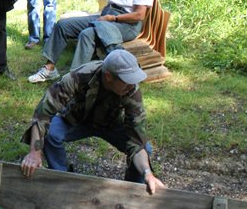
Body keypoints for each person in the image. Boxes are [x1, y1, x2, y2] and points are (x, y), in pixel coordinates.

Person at [20, 50, 166, 195]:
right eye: (127, 80)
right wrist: (35, 152)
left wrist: (147, 172)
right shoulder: (79, 76)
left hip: (111, 125)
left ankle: (133, 191)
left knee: (145, 148)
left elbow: (136, 138)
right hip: (77, 120)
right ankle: (62, 179)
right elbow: (43, 114)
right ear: (108, 76)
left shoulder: (132, 89)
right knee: (50, 133)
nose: (132, 85)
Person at [29, 0, 154, 83]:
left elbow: (139, 16)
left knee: (87, 34)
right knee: (63, 25)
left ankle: (74, 79)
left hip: (125, 24)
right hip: (106, 15)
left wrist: (112, 18)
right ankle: (49, 69)